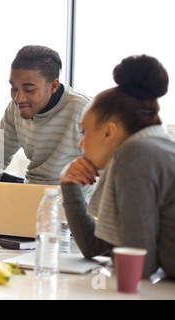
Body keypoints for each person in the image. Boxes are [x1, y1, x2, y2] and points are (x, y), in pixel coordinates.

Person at [0, 45, 93, 234]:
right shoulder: (15, 109)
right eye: (14, 88)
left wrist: (65, 213)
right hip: (29, 195)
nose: (19, 97)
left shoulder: (84, 110)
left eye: (29, 90)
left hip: (63, 206)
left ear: (53, 85)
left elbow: (101, 176)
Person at [59, 54, 175, 279]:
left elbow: (139, 267)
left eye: (84, 131)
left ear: (109, 132)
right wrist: (68, 183)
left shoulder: (135, 155)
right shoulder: (157, 146)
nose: (80, 142)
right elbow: (95, 247)